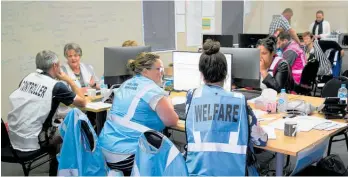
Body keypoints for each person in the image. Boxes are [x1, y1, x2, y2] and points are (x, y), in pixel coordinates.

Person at [185, 40, 268, 176]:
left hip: (197, 172)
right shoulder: (239, 101)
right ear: (226, 73)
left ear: (201, 73)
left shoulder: (191, 96)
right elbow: (261, 140)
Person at [7, 50, 87, 176]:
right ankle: (60, 170)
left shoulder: (27, 78)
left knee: (56, 123)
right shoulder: (56, 86)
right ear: (55, 66)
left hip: (11, 139)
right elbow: (83, 102)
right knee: (73, 129)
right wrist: (69, 80)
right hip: (33, 141)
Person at [98, 52, 179, 176]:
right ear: (145, 71)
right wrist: (168, 101)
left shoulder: (126, 84)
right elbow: (172, 120)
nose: (162, 72)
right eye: (158, 69)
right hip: (126, 155)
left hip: (104, 149)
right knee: (174, 159)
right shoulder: (152, 90)